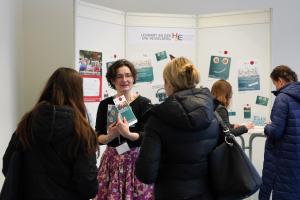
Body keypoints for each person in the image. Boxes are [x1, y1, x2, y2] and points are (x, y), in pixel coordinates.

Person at [2, 67, 99, 199]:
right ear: (78, 93)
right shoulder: (82, 131)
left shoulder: (27, 123)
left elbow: (8, 166)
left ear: (49, 88)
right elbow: (88, 186)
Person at [135, 57, 220, 200]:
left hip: (170, 192)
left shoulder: (157, 119)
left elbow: (146, 174)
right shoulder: (213, 113)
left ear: (169, 83)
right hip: (207, 192)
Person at [94, 59, 154, 200]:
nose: (124, 79)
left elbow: (148, 136)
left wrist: (128, 134)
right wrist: (110, 136)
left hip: (136, 162)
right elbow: (98, 137)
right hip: (111, 162)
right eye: (119, 76)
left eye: (128, 75)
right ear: (112, 80)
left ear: (133, 78)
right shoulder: (105, 104)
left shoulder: (144, 103)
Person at [259, 65, 300, 200]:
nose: (275, 87)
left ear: (280, 81)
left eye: (274, 83)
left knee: (283, 191)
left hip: (283, 156)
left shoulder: (283, 98)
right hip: (296, 154)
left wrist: (267, 127)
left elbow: (276, 132)